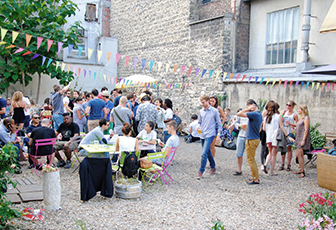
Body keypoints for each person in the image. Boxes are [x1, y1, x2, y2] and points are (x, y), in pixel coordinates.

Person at [196, 95, 222, 180]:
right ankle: (213, 167)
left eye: (203, 102)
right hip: (202, 134)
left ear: (208, 101)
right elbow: (199, 122)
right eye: (201, 103)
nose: (202, 104)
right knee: (207, 152)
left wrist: (218, 135)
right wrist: (198, 126)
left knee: (204, 153)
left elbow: (219, 124)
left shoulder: (215, 111)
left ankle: (201, 171)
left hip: (210, 134)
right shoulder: (201, 111)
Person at [237, 99, 262, 185]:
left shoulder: (254, 114)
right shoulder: (259, 114)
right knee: (252, 159)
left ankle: (255, 179)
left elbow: (239, 114)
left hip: (251, 139)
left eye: (247, 106)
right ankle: (255, 177)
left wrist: (248, 109)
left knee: (251, 160)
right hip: (255, 138)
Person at [278, 100, 298, 171]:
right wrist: (283, 113)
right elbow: (281, 120)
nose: (288, 106)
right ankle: (282, 163)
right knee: (283, 148)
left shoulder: (294, 114)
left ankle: (288, 164)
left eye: (289, 105)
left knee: (289, 148)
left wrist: (291, 124)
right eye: (287, 105)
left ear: (292, 106)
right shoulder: (285, 113)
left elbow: (298, 124)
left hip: (290, 132)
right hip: (284, 132)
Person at [262, 100, 280, 176]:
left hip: (268, 138)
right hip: (275, 137)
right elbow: (280, 127)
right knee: (274, 155)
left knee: (270, 152)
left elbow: (264, 129)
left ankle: (265, 163)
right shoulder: (278, 117)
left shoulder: (266, 117)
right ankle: (271, 171)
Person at [294, 105, 311, 178]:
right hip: (298, 137)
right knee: (298, 155)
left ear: (303, 110)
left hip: (302, 138)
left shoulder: (306, 118)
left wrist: (303, 140)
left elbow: (306, 129)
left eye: (299, 109)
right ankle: (301, 169)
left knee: (300, 155)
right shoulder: (301, 118)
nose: (298, 110)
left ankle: (302, 171)